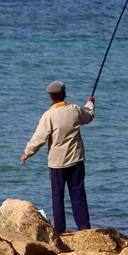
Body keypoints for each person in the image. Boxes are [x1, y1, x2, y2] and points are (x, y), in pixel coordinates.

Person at [20, 80, 95, 234]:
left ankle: (59, 230)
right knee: (78, 195)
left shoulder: (49, 116)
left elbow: (39, 138)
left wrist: (27, 152)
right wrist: (90, 103)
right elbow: (89, 115)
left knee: (57, 197)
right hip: (76, 160)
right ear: (64, 94)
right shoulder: (74, 110)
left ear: (51, 97)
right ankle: (84, 228)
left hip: (57, 164)